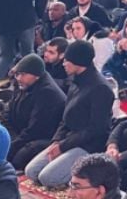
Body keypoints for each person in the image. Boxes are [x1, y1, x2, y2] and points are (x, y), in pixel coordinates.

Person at [25, 40, 114, 188]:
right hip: (68, 139)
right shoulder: (75, 81)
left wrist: (63, 147)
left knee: (47, 178)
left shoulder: (101, 89)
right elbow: (65, 118)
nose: (63, 63)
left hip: (88, 145)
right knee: (31, 171)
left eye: (67, 60)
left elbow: (96, 129)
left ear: (78, 61)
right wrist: (56, 141)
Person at [3, 54, 66, 170]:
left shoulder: (48, 94)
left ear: (36, 76)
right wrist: (11, 137)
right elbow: (8, 111)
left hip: (42, 137)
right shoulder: (24, 83)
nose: (18, 78)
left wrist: (12, 145)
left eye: (23, 75)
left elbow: (35, 129)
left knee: (18, 158)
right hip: (20, 132)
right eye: (17, 74)